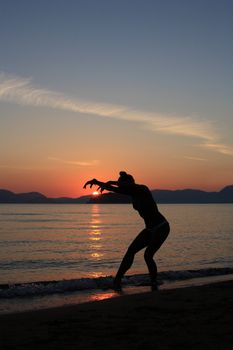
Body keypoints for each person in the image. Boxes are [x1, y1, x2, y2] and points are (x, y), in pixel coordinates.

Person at [83, 171, 170, 291]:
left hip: (161, 226)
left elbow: (125, 186)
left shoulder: (142, 188)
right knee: (131, 251)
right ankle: (117, 280)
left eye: (122, 184)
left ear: (129, 183)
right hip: (149, 229)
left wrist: (113, 182)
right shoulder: (130, 192)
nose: (120, 187)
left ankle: (154, 282)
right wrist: (97, 181)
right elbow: (113, 188)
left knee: (148, 255)